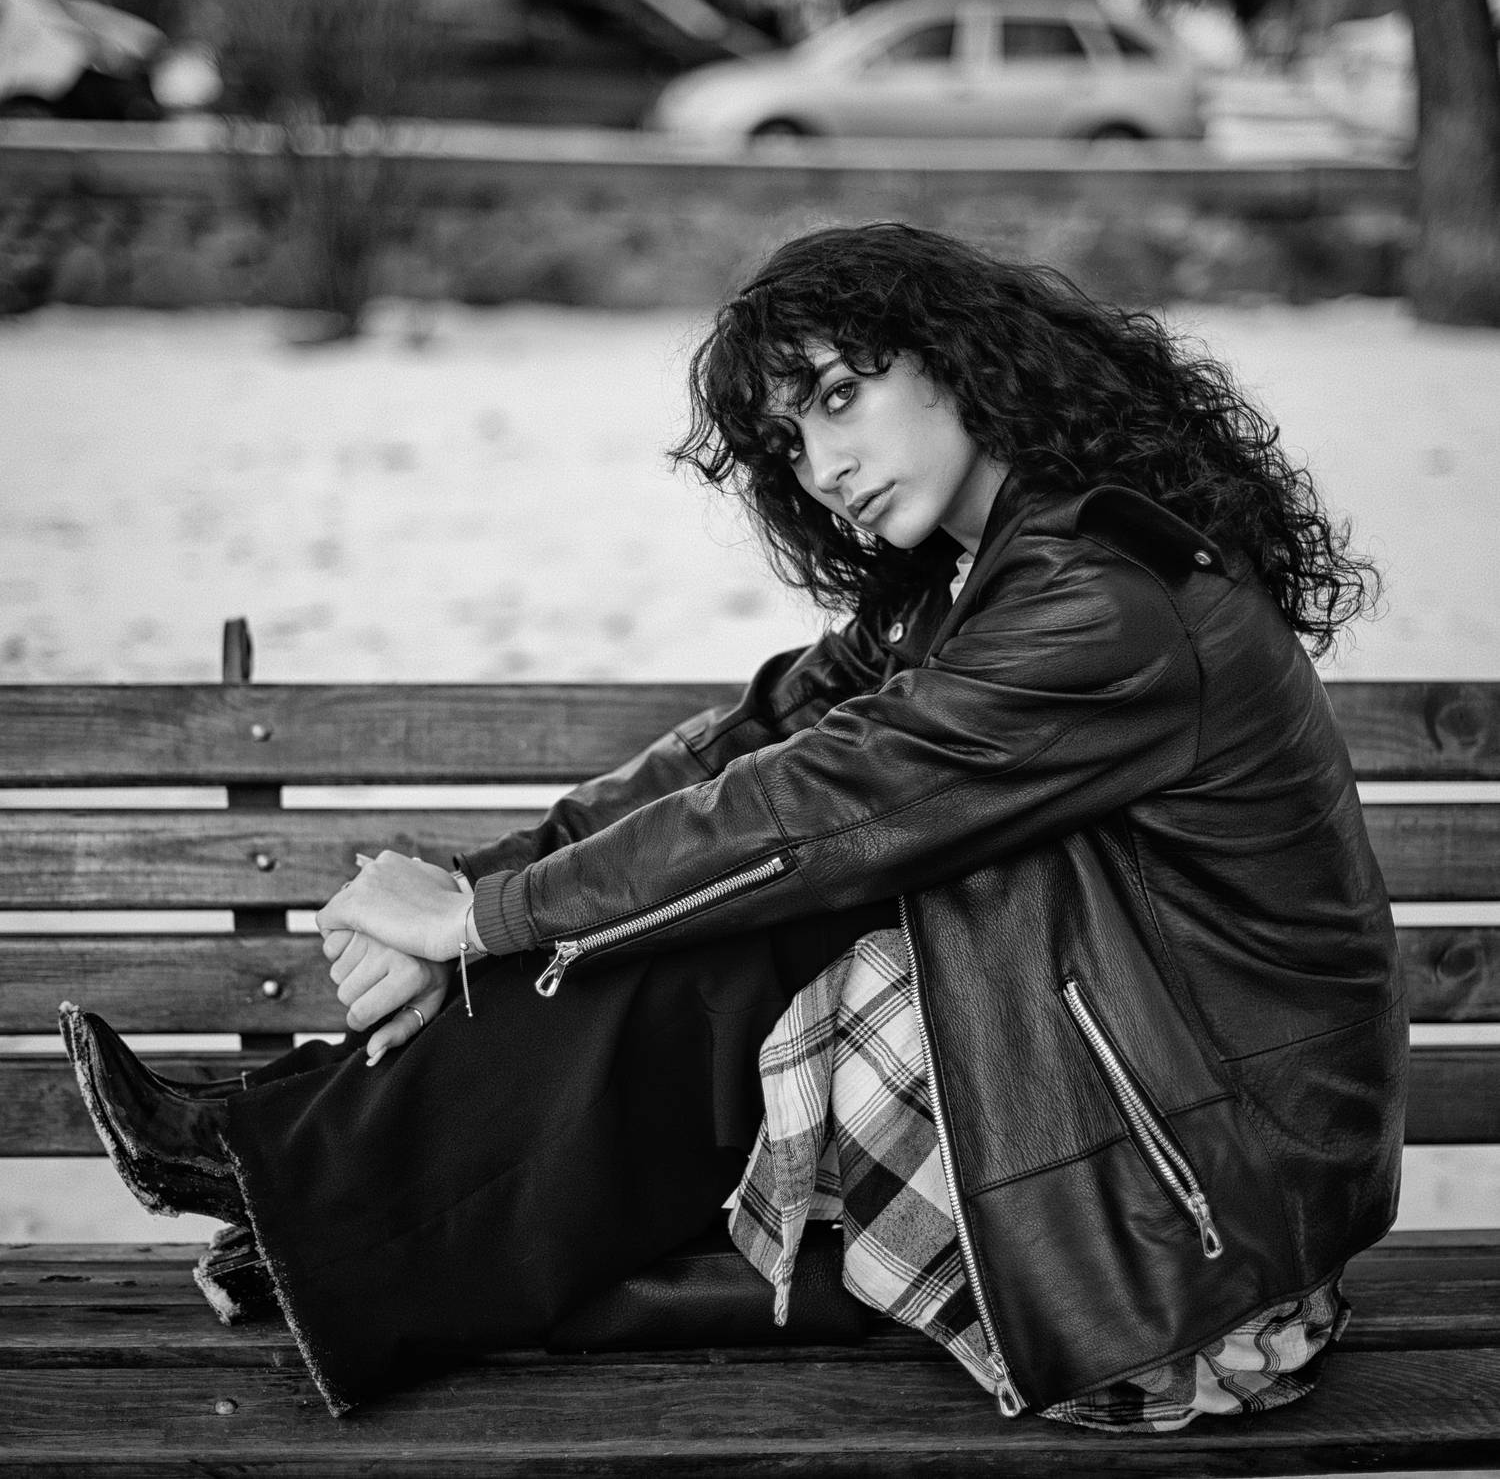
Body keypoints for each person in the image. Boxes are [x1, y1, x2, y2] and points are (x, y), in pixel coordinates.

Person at [62, 222, 1406, 1427]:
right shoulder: (965, 583)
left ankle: (291, 1181)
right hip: (1137, 1112)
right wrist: (476, 888)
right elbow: (755, 742)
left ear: (964, 360)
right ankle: (300, 1180)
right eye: (790, 442)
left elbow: (811, 806)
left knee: (747, 926)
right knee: (716, 922)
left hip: (1211, 1216)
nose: (825, 467)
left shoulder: (1101, 603)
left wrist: (478, 920)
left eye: (840, 396)